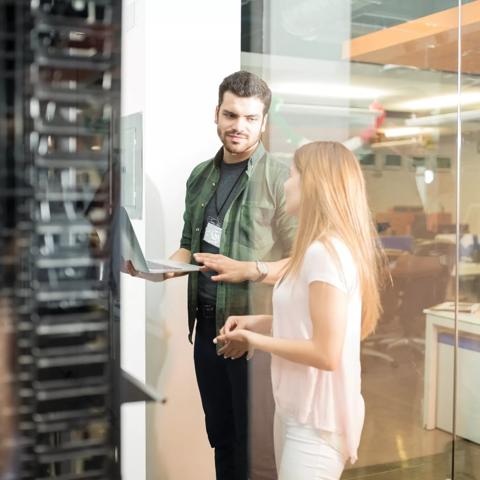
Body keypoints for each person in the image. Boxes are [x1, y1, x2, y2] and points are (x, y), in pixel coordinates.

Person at [127, 71, 296, 480]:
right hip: (206, 329)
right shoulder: (200, 175)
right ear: (216, 114)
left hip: (255, 333)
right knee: (221, 436)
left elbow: (300, 259)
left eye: (250, 118)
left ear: (264, 122)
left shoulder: (280, 178)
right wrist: (159, 270)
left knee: (256, 448)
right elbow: (189, 244)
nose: (239, 126)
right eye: (231, 114)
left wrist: (251, 269)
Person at [214, 141, 385, 480]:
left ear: (313, 185)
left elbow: (325, 352)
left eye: (292, 175)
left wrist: (254, 340)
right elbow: (308, 323)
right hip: (294, 410)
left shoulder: (326, 254)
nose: (285, 184)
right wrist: (259, 324)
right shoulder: (315, 251)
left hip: (317, 422)